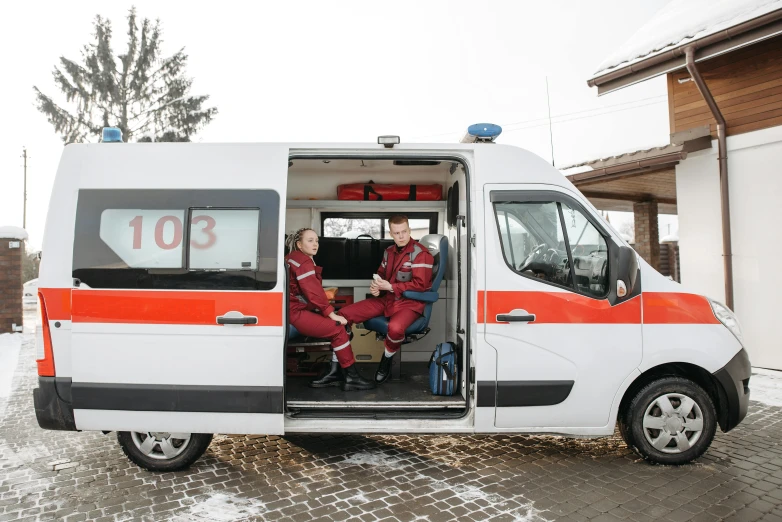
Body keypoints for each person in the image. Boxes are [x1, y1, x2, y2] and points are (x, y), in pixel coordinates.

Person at [338, 215, 434, 384]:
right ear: (391, 234)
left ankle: (387, 359)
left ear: (409, 230)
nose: (401, 236)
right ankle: (338, 367)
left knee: (395, 328)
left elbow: (420, 285)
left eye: (404, 231)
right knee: (343, 315)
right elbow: (381, 275)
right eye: (397, 233)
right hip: (387, 299)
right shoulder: (388, 252)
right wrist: (376, 287)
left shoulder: (421, 254)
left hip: (409, 303)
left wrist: (390, 287)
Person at [285, 228, 374, 391]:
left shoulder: (293, 258)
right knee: (339, 329)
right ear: (299, 244)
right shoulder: (303, 262)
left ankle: (335, 373)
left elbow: (303, 292)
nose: (315, 244)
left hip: (293, 311)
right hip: (295, 314)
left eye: (316, 240)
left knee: (342, 326)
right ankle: (351, 377)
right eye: (310, 240)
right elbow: (313, 293)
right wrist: (331, 314)